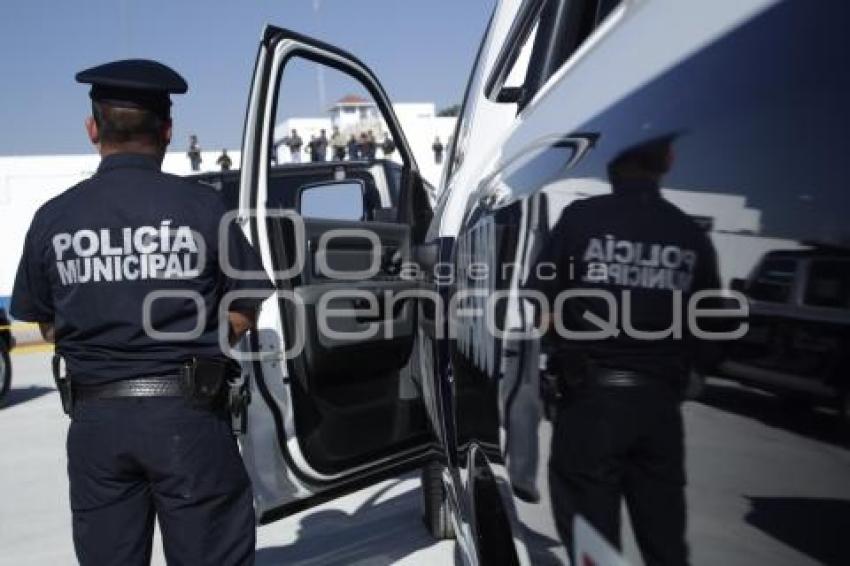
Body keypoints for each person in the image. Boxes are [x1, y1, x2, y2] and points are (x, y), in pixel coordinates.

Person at [10, 59, 274, 565]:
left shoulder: (54, 217)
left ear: (93, 128)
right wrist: (209, 343)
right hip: (191, 418)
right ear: (168, 131)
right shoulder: (203, 208)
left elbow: (44, 318)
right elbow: (246, 299)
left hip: (97, 425)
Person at [530, 135, 720, 566]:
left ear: (612, 165)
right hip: (660, 410)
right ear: (668, 161)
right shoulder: (689, 233)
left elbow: (539, 304)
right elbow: (711, 327)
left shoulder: (580, 219)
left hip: (591, 403)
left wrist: (565, 345)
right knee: (665, 539)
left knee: (593, 541)